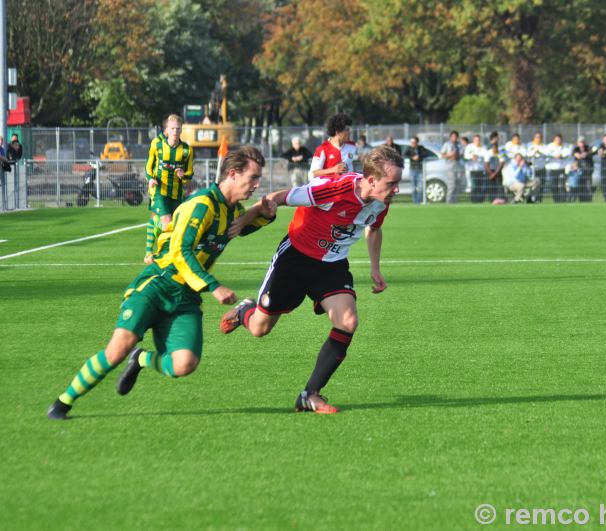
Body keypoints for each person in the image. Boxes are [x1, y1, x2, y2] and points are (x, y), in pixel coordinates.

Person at [46, 147, 277, 420]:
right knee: (117, 349)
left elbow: (242, 224)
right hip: (158, 285)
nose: (256, 184)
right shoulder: (201, 204)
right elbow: (181, 252)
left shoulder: (230, 210)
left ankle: (142, 358)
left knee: (185, 364)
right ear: (233, 173)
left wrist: (267, 213)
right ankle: (63, 402)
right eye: (253, 178)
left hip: (186, 298)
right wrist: (213, 286)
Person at [218, 145, 404, 414]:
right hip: (295, 259)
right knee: (260, 328)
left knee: (348, 321)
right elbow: (278, 197)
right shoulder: (335, 189)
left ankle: (310, 394)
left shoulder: (380, 202)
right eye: (392, 183)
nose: (396, 189)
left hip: (331, 265)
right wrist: (244, 219)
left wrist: (375, 268)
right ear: (372, 180)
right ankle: (246, 310)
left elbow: (374, 229)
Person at [144, 114, 195, 264]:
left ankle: (149, 253)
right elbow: (148, 165)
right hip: (159, 190)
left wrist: (183, 175)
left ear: (181, 130)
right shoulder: (157, 145)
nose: (175, 131)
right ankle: (160, 255)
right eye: (172, 128)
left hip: (176, 194)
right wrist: (150, 179)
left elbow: (190, 174)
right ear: (167, 129)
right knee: (166, 221)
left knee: (170, 224)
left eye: (178, 129)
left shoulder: (186, 151)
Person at [309, 113, 358, 180]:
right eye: (347, 130)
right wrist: (333, 170)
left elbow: (352, 165)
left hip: (347, 187)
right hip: (329, 188)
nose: (350, 132)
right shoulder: (322, 149)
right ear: (337, 132)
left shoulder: (352, 146)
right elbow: (314, 173)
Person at [545, 133, 569, 202]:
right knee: (553, 186)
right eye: (557, 139)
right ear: (554, 140)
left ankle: (563, 200)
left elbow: (568, 152)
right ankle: (556, 200)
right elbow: (547, 154)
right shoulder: (550, 146)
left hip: (561, 169)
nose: (558, 141)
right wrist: (554, 156)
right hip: (552, 170)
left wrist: (561, 155)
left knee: (562, 186)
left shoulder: (565, 146)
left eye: (559, 139)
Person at [440, 130, 462, 203]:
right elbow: (442, 155)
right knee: (451, 184)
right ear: (450, 137)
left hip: (458, 164)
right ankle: (449, 200)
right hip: (450, 164)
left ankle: (455, 200)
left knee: (458, 183)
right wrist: (449, 155)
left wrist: (458, 155)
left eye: (455, 137)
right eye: (453, 136)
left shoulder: (459, 145)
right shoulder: (447, 144)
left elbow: (462, 154)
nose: (454, 138)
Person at [484, 131, 506, 203]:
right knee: (491, 187)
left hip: (498, 171)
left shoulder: (501, 151)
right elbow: (486, 163)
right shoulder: (488, 152)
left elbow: (502, 163)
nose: (495, 148)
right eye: (494, 146)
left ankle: (501, 199)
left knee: (500, 185)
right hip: (490, 171)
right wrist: (491, 174)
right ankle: (492, 200)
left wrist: (495, 173)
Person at [464, 134, 487, 203]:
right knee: (474, 186)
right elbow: (466, 156)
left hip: (481, 169)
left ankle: (480, 200)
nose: (477, 141)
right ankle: (473, 200)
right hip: (472, 169)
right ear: (473, 140)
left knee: (480, 186)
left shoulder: (483, 147)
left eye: (478, 140)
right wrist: (471, 156)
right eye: (476, 140)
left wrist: (478, 156)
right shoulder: (469, 146)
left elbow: (485, 156)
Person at [572, 136, 594, 202]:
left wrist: (587, 153)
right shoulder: (576, 149)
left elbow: (593, 151)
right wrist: (578, 155)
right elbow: (575, 155)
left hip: (588, 171)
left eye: (583, 142)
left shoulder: (588, 148)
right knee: (580, 186)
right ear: (577, 143)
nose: (582, 144)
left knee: (588, 186)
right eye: (580, 142)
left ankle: (589, 200)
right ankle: (581, 200)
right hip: (579, 172)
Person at [403, 136, 424, 204]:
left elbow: (426, 154)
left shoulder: (421, 148)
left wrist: (419, 156)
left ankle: (419, 201)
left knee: (420, 187)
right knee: (413, 187)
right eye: (412, 142)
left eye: (414, 142)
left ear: (417, 143)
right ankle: (415, 202)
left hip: (420, 170)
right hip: (412, 170)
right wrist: (412, 157)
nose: (413, 144)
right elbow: (404, 155)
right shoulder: (409, 148)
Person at [526, 132, 547, 201]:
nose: (538, 139)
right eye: (537, 137)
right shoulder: (529, 145)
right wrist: (534, 152)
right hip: (532, 169)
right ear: (534, 138)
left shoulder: (544, 146)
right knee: (532, 184)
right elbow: (527, 154)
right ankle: (530, 198)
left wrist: (540, 152)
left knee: (541, 185)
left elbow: (546, 154)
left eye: (540, 137)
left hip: (541, 168)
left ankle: (539, 199)